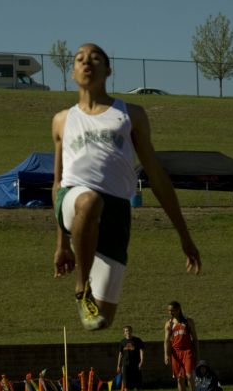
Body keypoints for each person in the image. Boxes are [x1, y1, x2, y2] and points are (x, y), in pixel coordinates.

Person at [52, 42, 201, 331]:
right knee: (89, 201)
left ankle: (88, 250)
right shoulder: (62, 120)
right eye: (80, 59)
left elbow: (157, 176)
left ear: (108, 70)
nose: (87, 63)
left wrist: (184, 235)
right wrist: (60, 246)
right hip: (74, 198)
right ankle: (81, 287)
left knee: (102, 321)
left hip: (117, 211)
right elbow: (58, 182)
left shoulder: (130, 114)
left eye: (95, 58)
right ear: (72, 73)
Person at [164, 301, 199, 391]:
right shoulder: (169, 324)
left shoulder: (188, 322)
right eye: (169, 310)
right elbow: (166, 341)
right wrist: (166, 354)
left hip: (187, 351)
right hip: (176, 353)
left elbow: (195, 339)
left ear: (178, 309)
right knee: (179, 378)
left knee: (189, 376)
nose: (170, 313)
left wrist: (197, 353)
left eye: (172, 310)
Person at [117, 325, 145, 391]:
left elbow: (141, 350)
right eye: (126, 331)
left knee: (138, 380)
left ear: (131, 331)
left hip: (136, 364)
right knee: (126, 382)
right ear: (124, 333)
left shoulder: (137, 340)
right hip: (125, 365)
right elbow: (120, 354)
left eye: (129, 330)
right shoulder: (122, 342)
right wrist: (118, 365)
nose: (128, 332)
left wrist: (141, 361)